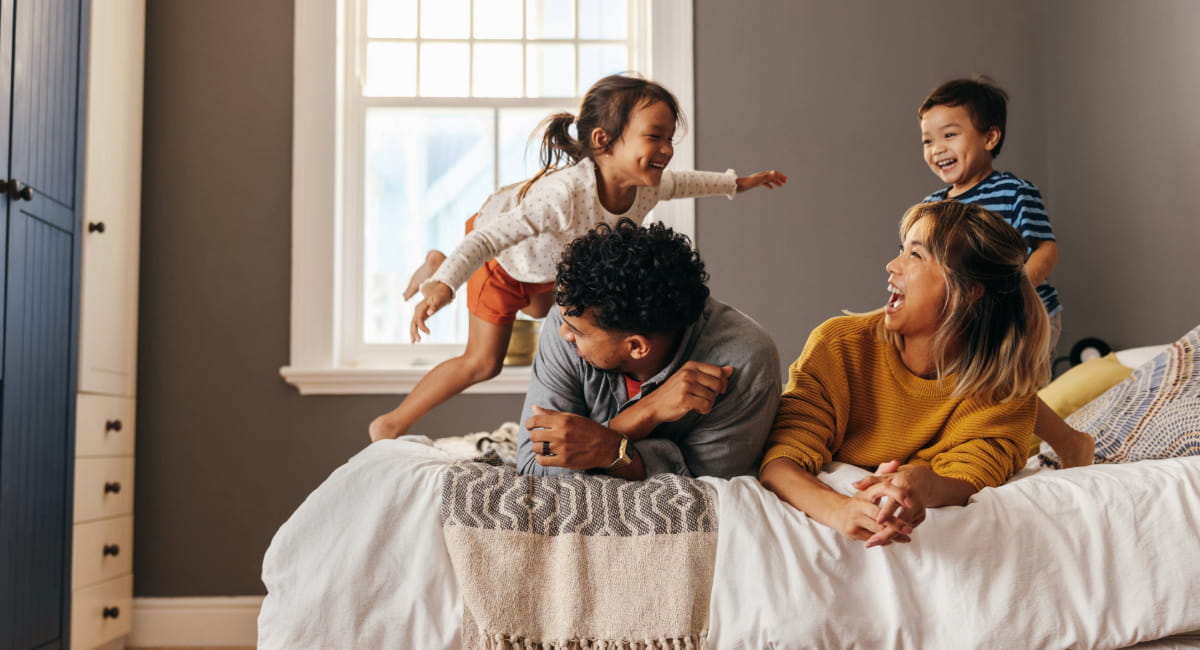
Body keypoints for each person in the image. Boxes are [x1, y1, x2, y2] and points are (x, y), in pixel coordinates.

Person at [369, 74, 787, 441]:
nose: (666, 150)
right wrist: (445, 283)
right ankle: (389, 422)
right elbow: (489, 238)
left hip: (549, 272)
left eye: (669, 139)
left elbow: (689, 183)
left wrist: (742, 183)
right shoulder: (565, 195)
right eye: (654, 136)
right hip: (503, 263)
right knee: (482, 363)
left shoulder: (648, 184)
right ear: (604, 140)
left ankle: (442, 260)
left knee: (553, 316)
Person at [760, 200, 1050, 548]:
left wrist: (919, 484)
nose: (891, 266)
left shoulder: (1003, 391)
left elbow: (968, 476)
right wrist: (840, 510)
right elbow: (780, 462)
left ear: (969, 291)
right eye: (902, 250)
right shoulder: (839, 345)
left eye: (915, 256)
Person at [917, 75, 1093, 467]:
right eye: (928, 140)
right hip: (966, 319)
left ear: (990, 137)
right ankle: (978, 452)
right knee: (967, 388)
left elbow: (1045, 247)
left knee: (1005, 384)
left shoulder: (1013, 191)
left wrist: (1016, 289)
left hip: (1023, 313)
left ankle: (1070, 445)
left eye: (949, 135)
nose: (937, 149)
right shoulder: (932, 208)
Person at [517, 219, 781, 479]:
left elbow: (709, 494)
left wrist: (607, 448)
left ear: (637, 347)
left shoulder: (744, 360)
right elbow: (534, 467)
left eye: (576, 332)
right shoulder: (573, 313)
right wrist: (643, 415)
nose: (564, 334)